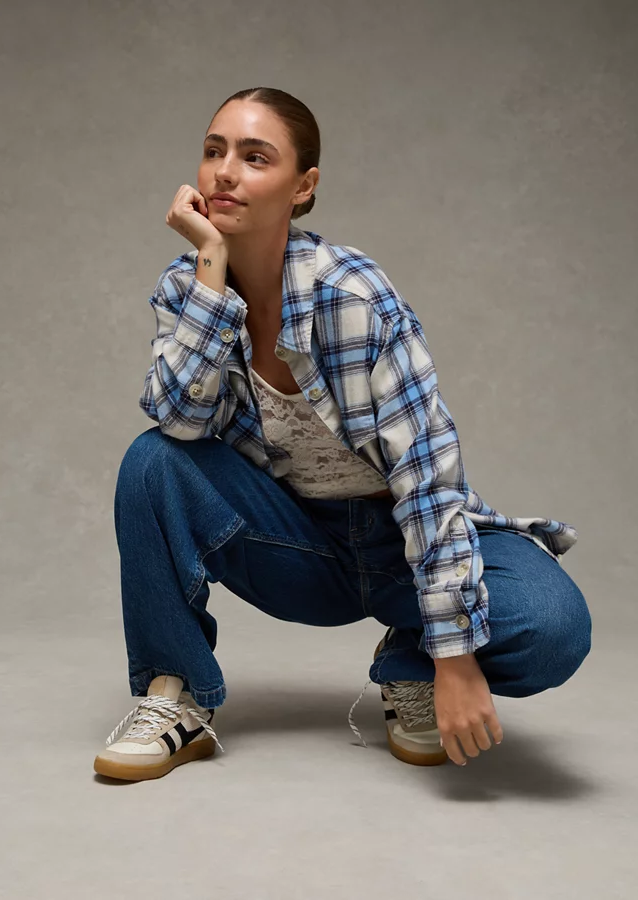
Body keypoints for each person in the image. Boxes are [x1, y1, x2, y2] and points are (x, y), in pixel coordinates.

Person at [93, 87, 592, 782]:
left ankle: (413, 662)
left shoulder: (352, 297)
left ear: (303, 186)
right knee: (152, 461)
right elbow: (178, 421)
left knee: (552, 625)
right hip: (296, 546)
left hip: (400, 546)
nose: (225, 172)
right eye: (214, 151)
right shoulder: (188, 287)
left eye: (255, 157)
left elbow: (428, 477)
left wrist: (453, 655)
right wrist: (210, 267)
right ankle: (175, 695)